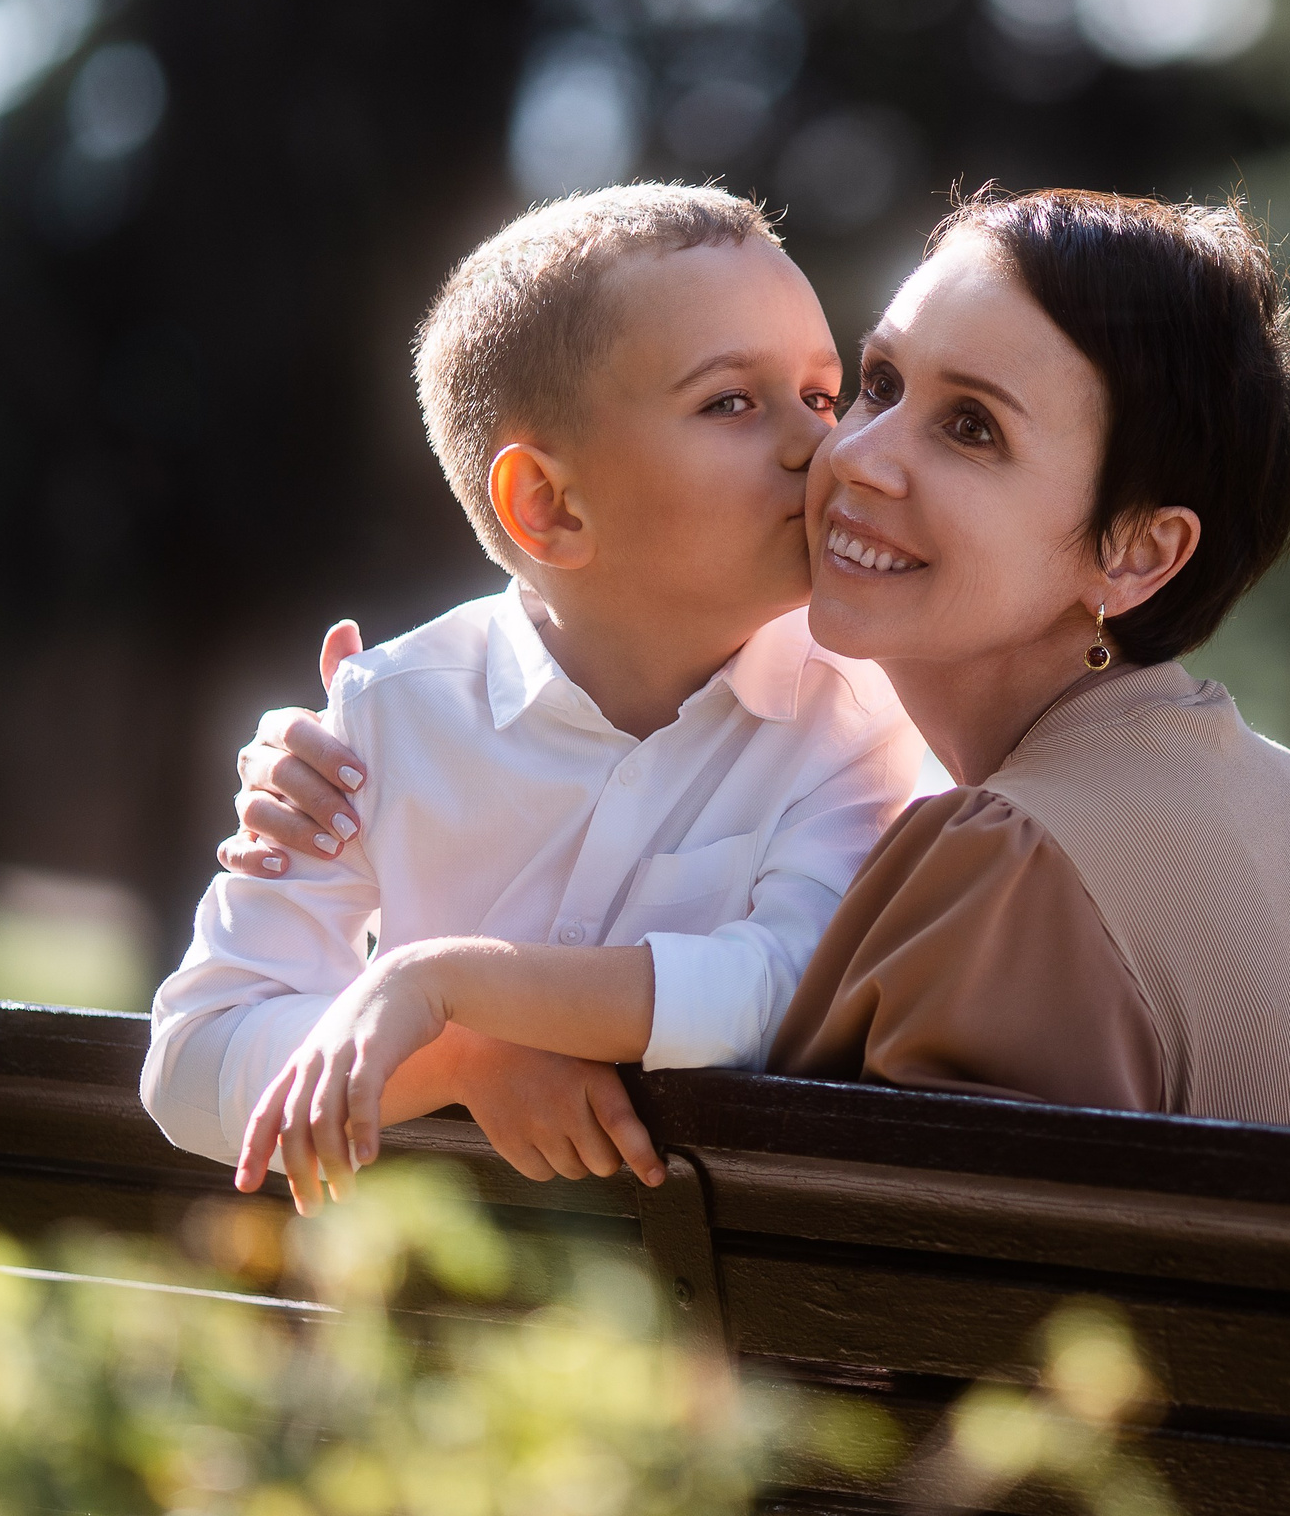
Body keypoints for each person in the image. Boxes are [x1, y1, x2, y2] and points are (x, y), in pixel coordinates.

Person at [229, 189, 1290, 1153]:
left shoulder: (1012, 857)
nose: (850, 453)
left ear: (1139, 552)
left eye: (970, 426)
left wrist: (451, 990)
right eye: (878, 384)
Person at [140, 184, 925, 1213]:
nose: (816, 445)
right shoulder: (386, 716)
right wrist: (464, 1056)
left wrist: (446, 983)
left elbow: (787, 995)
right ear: (548, 505)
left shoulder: (861, 714)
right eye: (730, 401)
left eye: (823, 397)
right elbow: (193, 1061)